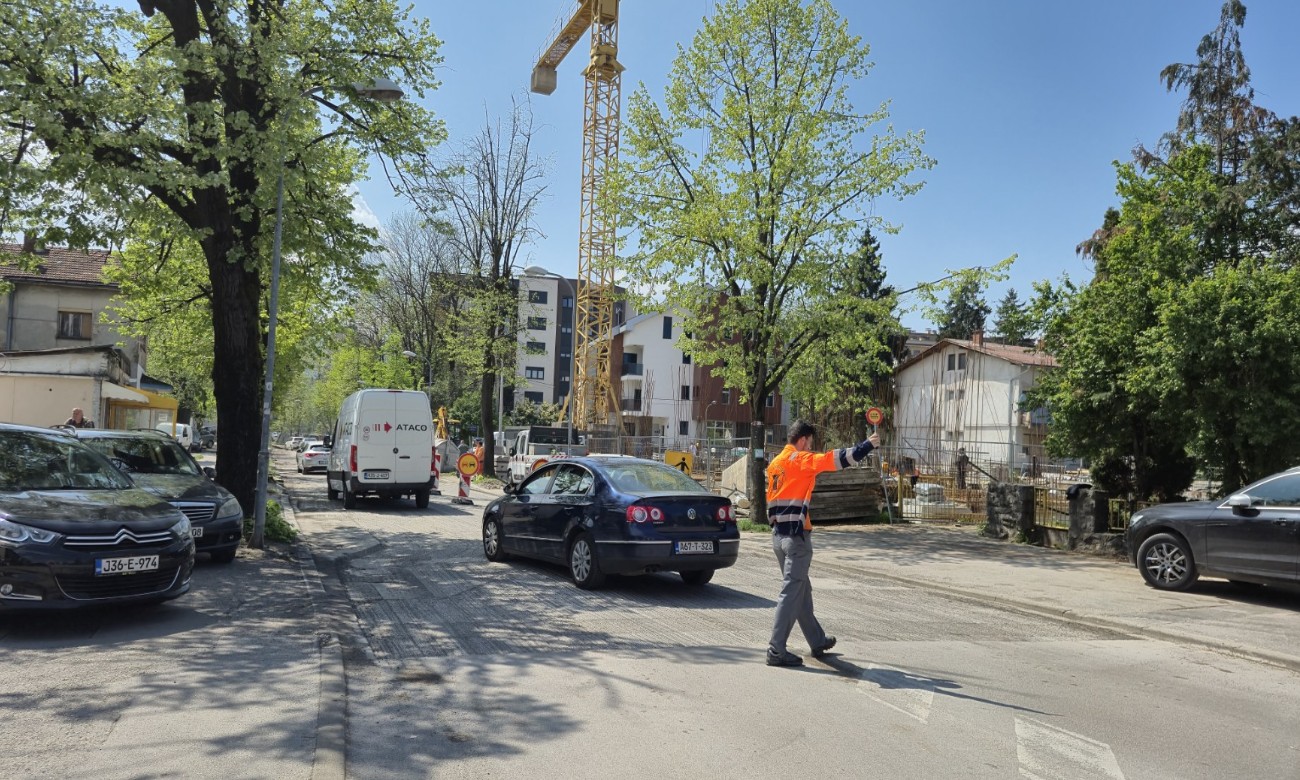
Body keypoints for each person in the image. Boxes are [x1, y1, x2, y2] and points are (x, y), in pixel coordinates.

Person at [765, 420, 879, 667]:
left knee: (800, 592)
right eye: (811, 443)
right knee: (792, 593)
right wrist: (866, 446)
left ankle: (817, 640)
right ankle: (775, 650)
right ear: (804, 440)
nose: (811, 448)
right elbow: (833, 460)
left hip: (778, 537)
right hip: (796, 539)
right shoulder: (800, 460)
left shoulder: (774, 464)